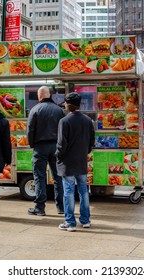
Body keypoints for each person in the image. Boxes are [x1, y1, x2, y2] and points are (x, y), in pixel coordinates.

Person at [56, 92, 95, 232]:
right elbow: (92, 142)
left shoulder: (64, 121)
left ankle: (70, 222)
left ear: (69, 104)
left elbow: (61, 144)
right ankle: (85, 220)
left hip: (67, 162)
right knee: (84, 191)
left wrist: (58, 155)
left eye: (65, 103)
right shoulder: (87, 120)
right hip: (81, 161)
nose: (65, 106)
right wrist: (84, 152)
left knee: (68, 192)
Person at [27, 86, 65, 216]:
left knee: (39, 176)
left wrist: (32, 145)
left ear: (39, 96)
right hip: (56, 147)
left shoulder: (35, 110)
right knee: (58, 177)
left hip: (40, 147)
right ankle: (61, 207)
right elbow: (63, 131)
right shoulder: (59, 110)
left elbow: (30, 130)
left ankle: (40, 207)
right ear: (50, 95)